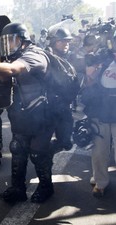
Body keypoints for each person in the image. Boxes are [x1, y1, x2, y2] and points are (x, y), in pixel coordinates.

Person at [0, 22, 55, 203]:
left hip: (43, 114)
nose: (8, 45)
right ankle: (17, 189)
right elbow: (6, 80)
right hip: (23, 114)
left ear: (22, 39)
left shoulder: (35, 55)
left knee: (38, 153)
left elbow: (15, 69)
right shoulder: (17, 56)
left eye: (11, 40)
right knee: (17, 150)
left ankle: (46, 187)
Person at [81, 35, 116, 198]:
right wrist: (91, 70)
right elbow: (88, 83)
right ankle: (101, 183)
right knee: (99, 151)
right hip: (100, 111)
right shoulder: (103, 58)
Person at [46, 27, 79, 153]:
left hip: (64, 106)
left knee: (65, 142)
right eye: (62, 41)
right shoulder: (46, 57)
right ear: (53, 41)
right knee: (41, 143)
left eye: (67, 41)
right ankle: (44, 162)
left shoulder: (69, 58)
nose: (66, 44)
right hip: (47, 107)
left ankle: (47, 154)